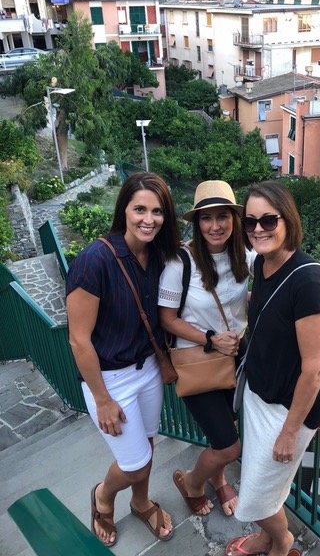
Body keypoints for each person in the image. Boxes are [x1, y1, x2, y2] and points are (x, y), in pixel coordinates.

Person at [66, 172, 180, 547]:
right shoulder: (94, 259)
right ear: (124, 210)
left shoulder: (160, 256)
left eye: (157, 211)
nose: (149, 219)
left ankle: (142, 502)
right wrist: (102, 399)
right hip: (110, 379)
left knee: (148, 445)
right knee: (134, 463)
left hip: (147, 369)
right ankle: (103, 496)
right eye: (140, 209)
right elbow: (79, 340)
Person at [226, 181, 320, 556]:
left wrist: (289, 433)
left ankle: (284, 541)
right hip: (259, 396)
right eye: (250, 221)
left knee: (255, 493)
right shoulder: (265, 264)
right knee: (264, 485)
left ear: (287, 220)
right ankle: (268, 537)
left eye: (268, 220)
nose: (258, 229)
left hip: (286, 412)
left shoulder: (308, 282)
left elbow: (317, 368)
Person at [158, 180, 255, 517]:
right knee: (229, 445)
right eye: (206, 218)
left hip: (234, 359)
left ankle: (218, 477)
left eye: (222, 216)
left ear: (234, 218)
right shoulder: (180, 263)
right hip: (197, 361)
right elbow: (167, 318)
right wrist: (210, 338)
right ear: (196, 223)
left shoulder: (245, 255)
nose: (215, 226)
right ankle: (192, 482)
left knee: (227, 428)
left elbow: (266, 279)